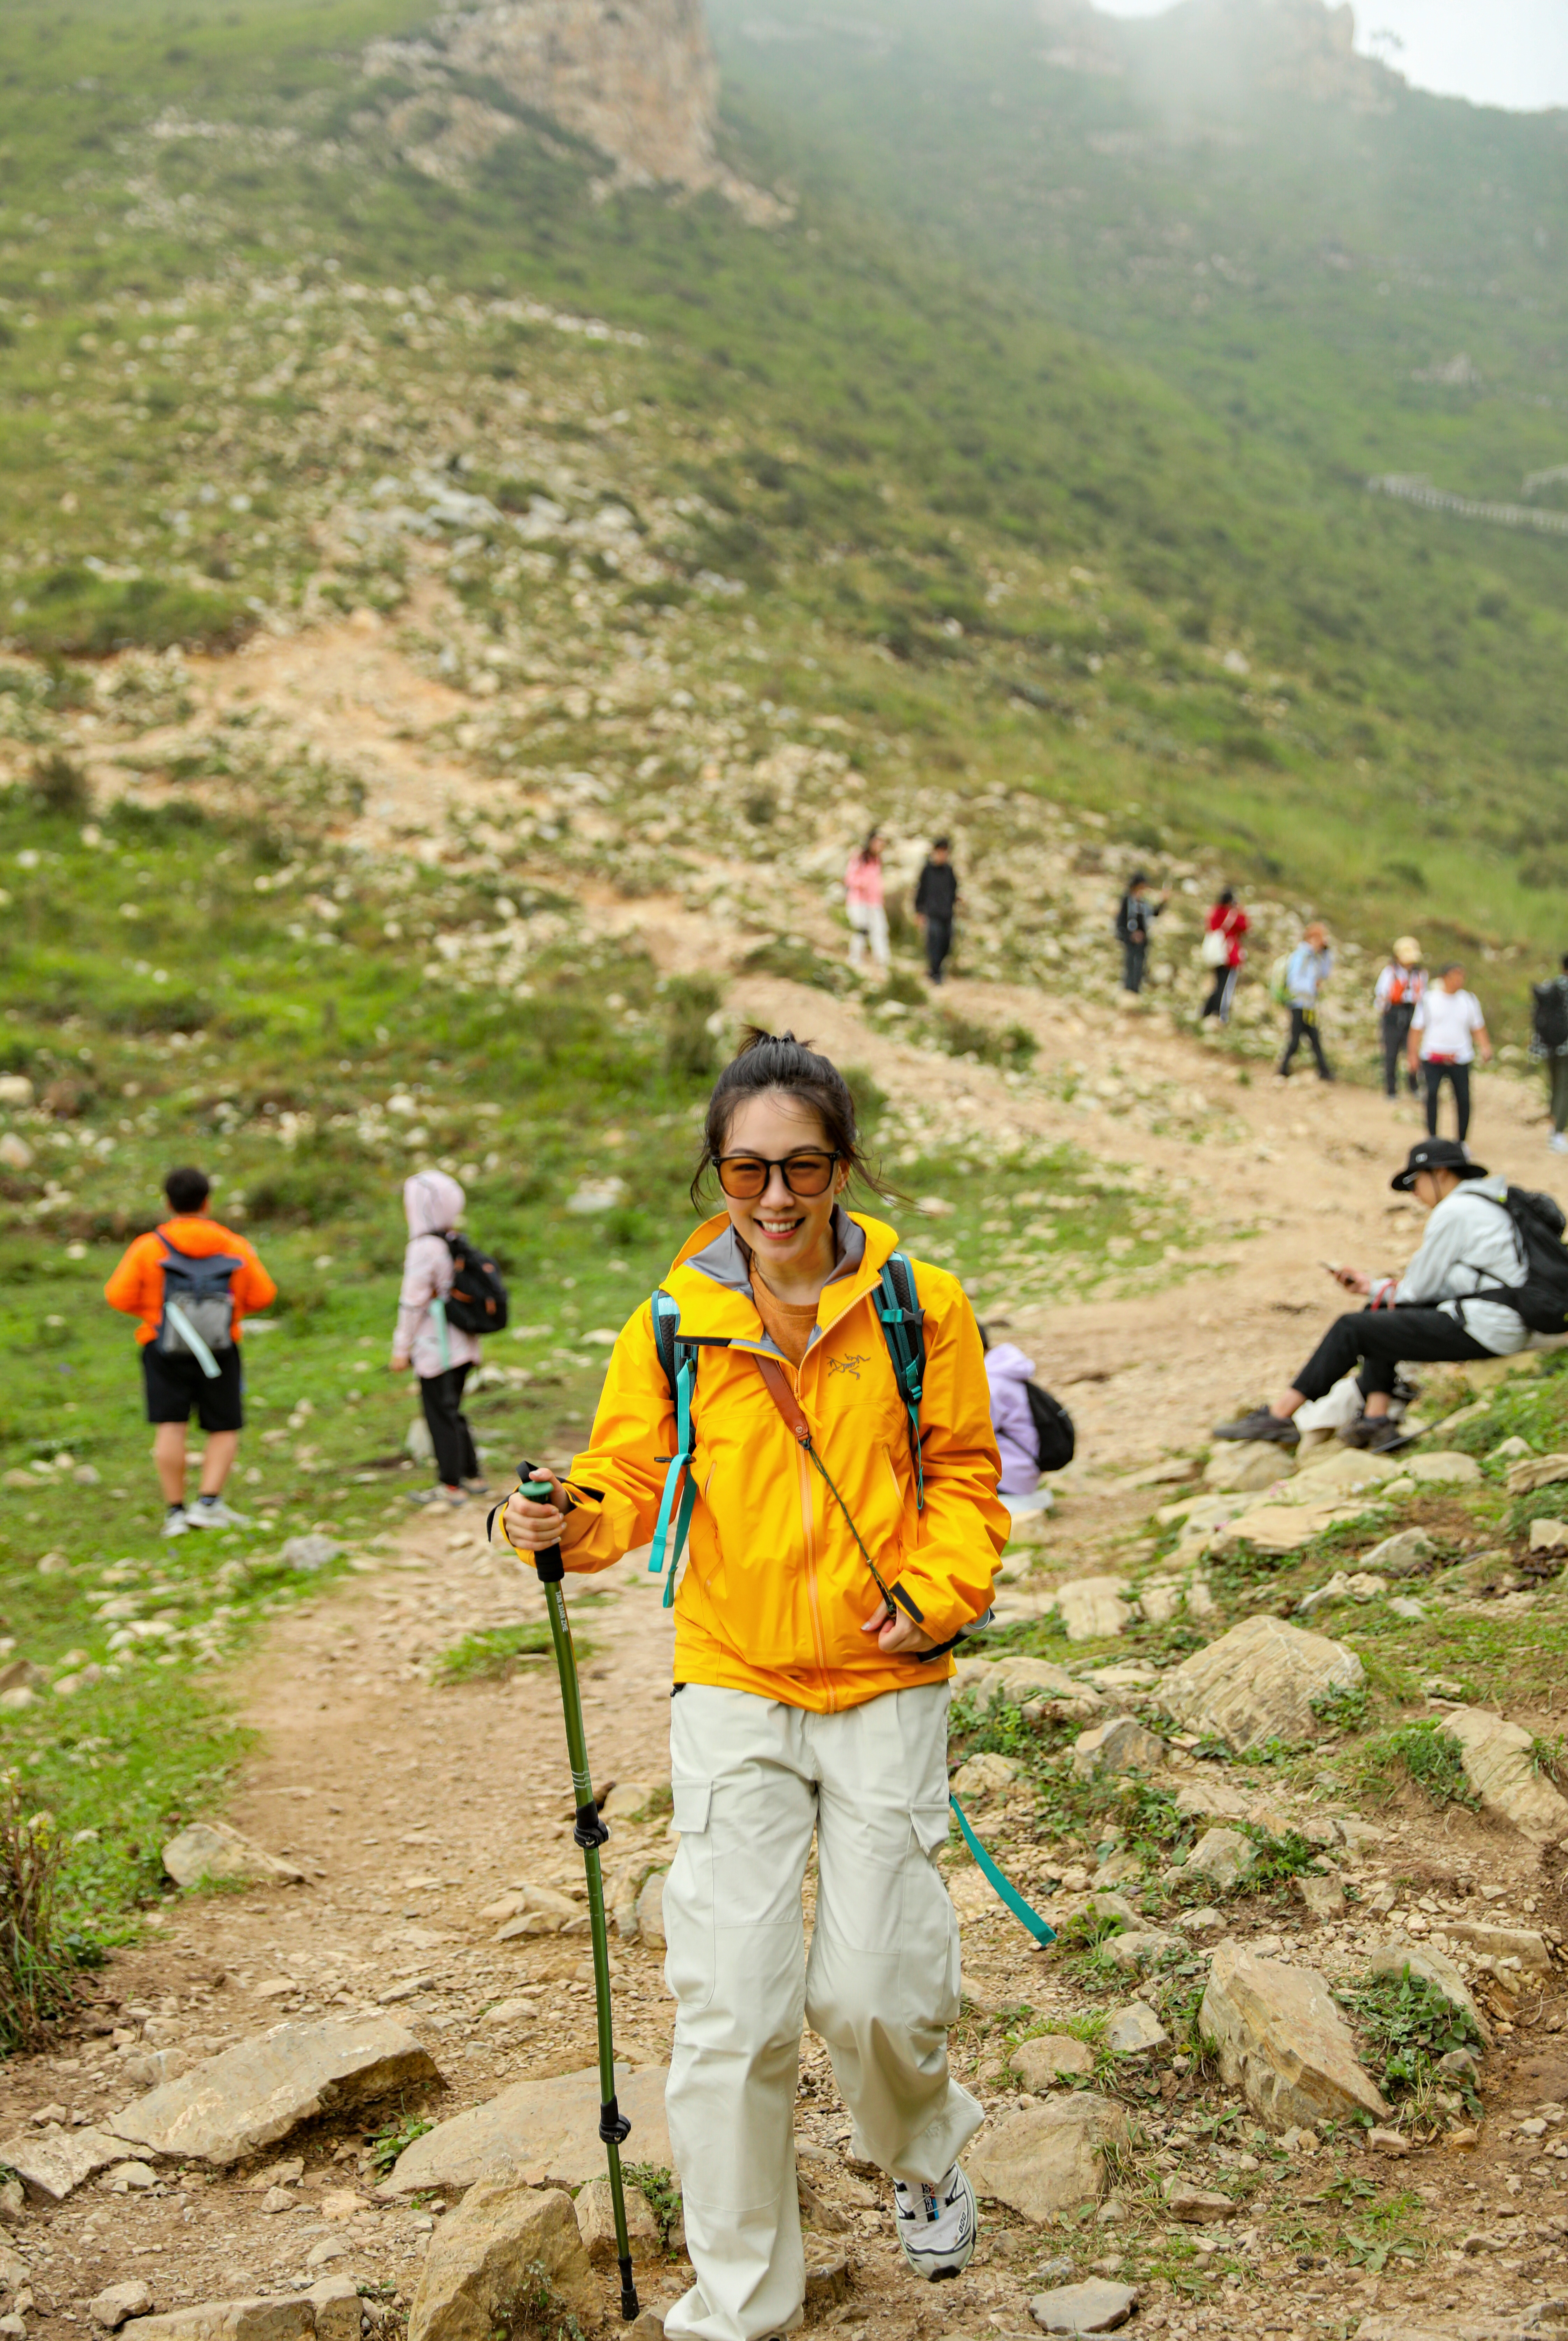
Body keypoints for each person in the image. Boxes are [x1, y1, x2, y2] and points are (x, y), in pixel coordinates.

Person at [504, 1029, 1006, 2339]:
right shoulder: (678, 1315)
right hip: (730, 1676)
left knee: (870, 1992)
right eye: (744, 1169)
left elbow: (964, 1472)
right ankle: (739, 2306)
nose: (774, 1198)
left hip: (888, 1675)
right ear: (714, 1172)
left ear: (845, 1164)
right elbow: (623, 1470)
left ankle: (924, 2143)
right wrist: (563, 1517)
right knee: (730, 2006)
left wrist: (938, 1589)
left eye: (802, 1166)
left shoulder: (920, 1303)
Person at [1213, 1138, 1528, 1456]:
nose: (1413, 1193)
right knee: (1378, 1311)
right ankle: (1377, 1418)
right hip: (1500, 1316)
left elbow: (1419, 1289)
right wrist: (1371, 1288)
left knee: (1353, 1327)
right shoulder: (1484, 1203)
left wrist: (1379, 1289)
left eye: (1413, 1181)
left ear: (1441, 1172)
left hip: (1490, 1326)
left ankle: (1281, 1414)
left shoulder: (1455, 1211)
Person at [104, 1166, 276, 1537]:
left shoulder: (148, 1247)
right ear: (208, 1202)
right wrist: (226, 1316)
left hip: (161, 1346)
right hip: (220, 1347)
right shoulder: (232, 1244)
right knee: (224, 1425)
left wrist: (157, 1316)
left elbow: (117, 1295)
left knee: (171, 1425)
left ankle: (175, 1512)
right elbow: (264, 1295)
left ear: (168, 1203)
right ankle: (210, 1503)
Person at [391, 1170, 487, 1506]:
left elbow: (412, 1302)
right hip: (464, 1344)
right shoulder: (452, 1240)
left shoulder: (423, 1248)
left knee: (440, 1414)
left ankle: (450, 1485)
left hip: (437, 1348)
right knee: (454, 1410)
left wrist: (401, 1348)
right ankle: (473, 1475)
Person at [1410, 962, 1491, 1142]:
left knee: (1463, 1099)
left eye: (1462, 976)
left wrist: (1485, 1047)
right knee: (1431, 1096)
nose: (1459, 980)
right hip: (1433, 1057)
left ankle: (1461, 1141)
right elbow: (1417, 1029)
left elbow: (1477, 1027)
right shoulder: (1429, 999)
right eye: (1455, 976)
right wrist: (1413, 1055)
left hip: (1460, 1057)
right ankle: (1432, 1138)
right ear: (1444, 977)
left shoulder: (1469, 1000)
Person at [980, 1331, 1053, 1519]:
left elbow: (977, 1433)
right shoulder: (1006, 1369)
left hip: (1011, 1477)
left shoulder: (991, 1382)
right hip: (1027, 1470)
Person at [1277, 921, 1334, 1082]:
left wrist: (1327, 953)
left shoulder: (1315, 957)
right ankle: (1283, 1069)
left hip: (1309, 1005)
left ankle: (1324, 1070)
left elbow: (1326, 972)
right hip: (1298, 1003)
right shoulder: (1301, 956)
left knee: (1314, 1037)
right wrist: (1312, 986)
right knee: (1296, 1039)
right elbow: (1294, 982)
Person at [1374, 938, 1425, 1101]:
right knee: (1391, 1054)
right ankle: (1391, 1089)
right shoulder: (1390, 973)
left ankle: (1414, 1086)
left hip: (1412, 1015)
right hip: (1393, 1016)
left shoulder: (1420, 975)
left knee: (1412, 1052)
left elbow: (1423, 997)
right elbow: (1381, 996)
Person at [1531, 953, 1568, 1156]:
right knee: (1565, 1089)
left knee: (1555, 1087)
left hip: (1548, 1046)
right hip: (1566, 1048)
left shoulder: (1550, 985)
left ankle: (1553, 1128)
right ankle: (1558, 1134)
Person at [844, 828, 889, 975]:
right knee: (861, 930)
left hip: (875, 902)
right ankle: (855, 958)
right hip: (859, 900)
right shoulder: (859, 857)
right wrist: (864, 884)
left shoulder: (878, 860)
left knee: (880, 929)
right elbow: (849, 879)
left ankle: (883, 960)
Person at [1200, 887, 1248, 1024]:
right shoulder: (1233, 915)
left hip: (1216, 955)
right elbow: (1245, 926)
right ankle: (1220, 1014)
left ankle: (1207, 1011)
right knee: (1226, 986)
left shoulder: (1214, 912)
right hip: (1229, 956)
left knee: (1218, 985)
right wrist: (1240, 911)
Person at [914, 837, 958, 985]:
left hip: (947, 914)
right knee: (935, 943)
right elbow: (921, 892)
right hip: (932, 914)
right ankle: (935, 973)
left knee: (946, 943)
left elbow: (954, 890)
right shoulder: (927, 871)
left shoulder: (949, 871)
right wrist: (919, 912)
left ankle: (937, 970)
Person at [1115, 870, 1167, 994]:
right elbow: (1122, 920)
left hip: (1142, 940)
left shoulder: (1144, 904)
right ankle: (1129, 989)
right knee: (1130, 964)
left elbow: (1154, 914)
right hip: (1130, 938)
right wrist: (1129, 934)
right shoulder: (1127, 901)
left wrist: (1164, 902)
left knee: (1140, 965)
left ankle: (1136, 990)